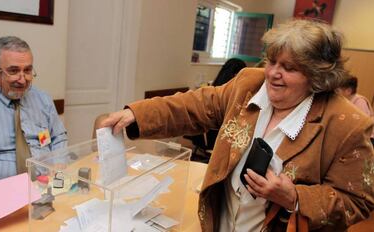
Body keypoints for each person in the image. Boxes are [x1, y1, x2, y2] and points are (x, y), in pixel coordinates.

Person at [98, 19, 374, 231]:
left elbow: (358, 202)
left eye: (289, 68)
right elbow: (194, 105)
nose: (274, 74)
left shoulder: (347, 124)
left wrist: (295, 197)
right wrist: (137, 114)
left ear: (316, 77)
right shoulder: (248, 84)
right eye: (272, 62)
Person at [0, 36, 67, 195]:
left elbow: (59, 137)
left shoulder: (42, 99)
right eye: (14, 71)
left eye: (28, 70)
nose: (23, 80)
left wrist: (58, 168)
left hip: (47, 188)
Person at [337, 76, 374, 145]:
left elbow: (362, 128)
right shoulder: (345, 101)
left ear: (348, 91)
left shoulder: (360, 102)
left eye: (338, 91)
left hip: (368, 139)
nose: (335, 94)